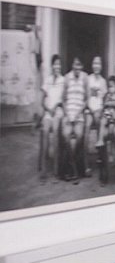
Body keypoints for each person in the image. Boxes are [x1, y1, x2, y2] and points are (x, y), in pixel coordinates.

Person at [61, 57, 88, 182]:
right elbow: (63, 99)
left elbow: (86, 99)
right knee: (65, 135)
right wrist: (67, 114)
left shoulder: (85, 77)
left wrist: (78, 113)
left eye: (79, 65)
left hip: (79, 115)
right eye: (75, 65)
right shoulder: (67, 77)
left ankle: (69, 167)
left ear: (82, 67)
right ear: (72, 65)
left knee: (79, 135)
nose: (77, 68)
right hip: (68, 113)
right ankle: (74, 168)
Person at [38, 54, 65, 182]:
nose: (57, 67)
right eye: (55, 64)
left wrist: (55, 107)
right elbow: (42, 100)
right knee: (44, 131)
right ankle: (43, 170)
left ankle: (56, 171)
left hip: (58, 111)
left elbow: (63, 100)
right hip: (48, 112)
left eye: (59, 64)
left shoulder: (63, 80)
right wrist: (48, 109)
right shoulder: (47, 80)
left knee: (55, 133)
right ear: (52, 66)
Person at [96, 76, 115, 185]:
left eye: (112, 86)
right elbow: (102, 109)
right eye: (108, 87)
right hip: (107, 119)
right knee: (103, 133)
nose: (110, 89)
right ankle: (104, 172)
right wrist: (104, 108)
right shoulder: (107, 96)